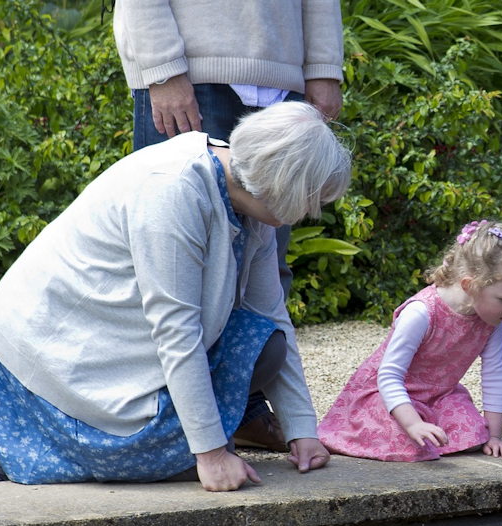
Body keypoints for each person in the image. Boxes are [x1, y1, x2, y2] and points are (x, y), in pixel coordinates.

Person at [0, 102, 351, 492]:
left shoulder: (250, 197)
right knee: (180, 461)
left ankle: (202, 436)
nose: (312, 212)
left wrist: (301, 430)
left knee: (268, 346)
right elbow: (176, 331)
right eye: (312, 199)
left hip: (115, 340)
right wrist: (211, 454)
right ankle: (4, 452)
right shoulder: (173, 190)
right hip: (53, 352)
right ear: (283, 186)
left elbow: (270, 314)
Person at [113, 0, 345, 452]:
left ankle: (239, 410)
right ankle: (151, 421)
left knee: (266, 271)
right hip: (193, 74)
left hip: (282, 77)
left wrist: (322, 66)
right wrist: (162, 66)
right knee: (168, 283)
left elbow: (269, 306)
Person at [318, 220, 502, 462]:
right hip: (388, 396)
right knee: (410, 442)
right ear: (470, 285)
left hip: (440, 396)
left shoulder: (492, 319)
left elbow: (495, 373)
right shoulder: (421, 313)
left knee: (475, 433)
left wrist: (495, 436)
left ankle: (430, 427)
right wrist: (413, 423)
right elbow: (389, 377)